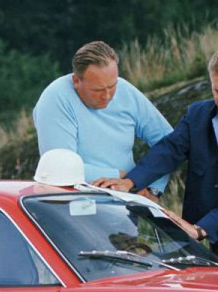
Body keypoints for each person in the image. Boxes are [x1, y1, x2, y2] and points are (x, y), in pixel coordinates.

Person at [95, 45, 218, 277]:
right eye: (217, 90)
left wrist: (203, 229)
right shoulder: (197, 115)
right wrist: (130, 182)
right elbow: (170, 150)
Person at [32, 40, 172, 198]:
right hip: (75, 208)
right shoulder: (55, 99)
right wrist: (122, 176)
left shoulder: (126, 91)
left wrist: (153, 188)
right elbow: (58, 168)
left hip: (127, 205)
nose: (107, 96)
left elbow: (169, 142)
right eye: (97, 90)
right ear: (76, 81)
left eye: (112, 86)